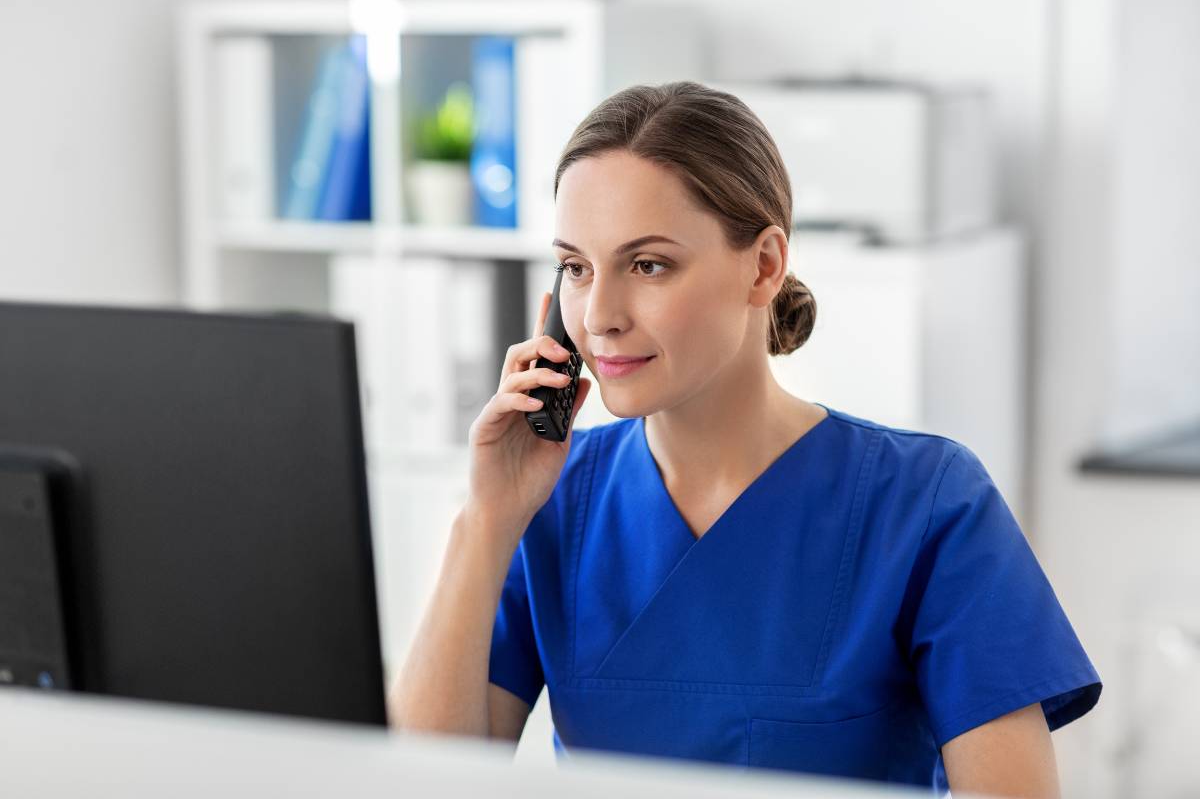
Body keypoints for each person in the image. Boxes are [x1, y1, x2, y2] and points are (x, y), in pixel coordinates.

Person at [390, 81, 1100, 798]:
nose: (599, 315)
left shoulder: (927, 503)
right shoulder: (552, 507)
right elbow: (419, 783)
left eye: (648, 265)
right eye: (576, 267)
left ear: (763, 265)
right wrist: (485, 518)